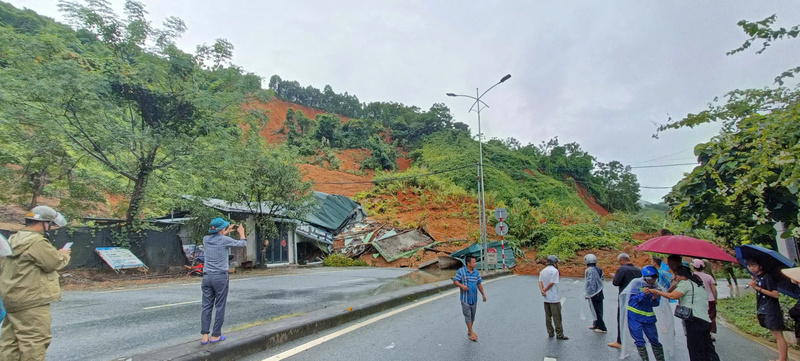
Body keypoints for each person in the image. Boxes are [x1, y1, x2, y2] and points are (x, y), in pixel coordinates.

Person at [0, 206, 71, 361]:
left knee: (10, 342)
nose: (51, 228)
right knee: (34, 341)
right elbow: (52, 263)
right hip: (32, 300)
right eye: (51, 225)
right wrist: (63, 254)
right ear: (45, 223)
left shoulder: (13, 238)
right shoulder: (36, 242)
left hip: (11, 298)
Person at [649, 266, 719, 361]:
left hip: (694, 320)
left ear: (681, 276)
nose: (674, 277)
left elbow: (672, 296)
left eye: (675, 275)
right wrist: (674, 285)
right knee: (707, 347)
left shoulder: (685, 283)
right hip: (705, 320)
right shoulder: (698, 285)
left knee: (695, 348)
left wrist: (657, 292)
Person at [200, 218, 247, 345]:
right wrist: (241, 233)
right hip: (220, 277)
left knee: (206, 306)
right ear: (221, 229)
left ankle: (204, 336)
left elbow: (217, 238)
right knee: (220, 306)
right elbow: (242, 244)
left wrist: (226, 231)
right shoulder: (224, 240)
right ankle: (216, 335)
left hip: (207, 277)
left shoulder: (206, 239)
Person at [747, 258, 788, 361]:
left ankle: (782, 359)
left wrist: (757, 288)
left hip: (771, 309)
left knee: (778, 335)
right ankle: (783, 358)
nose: (752, 268)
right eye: (749, 266)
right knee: (776, 335)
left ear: (760, 266)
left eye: (754, 266)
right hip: (763, 308)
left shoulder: (767, 277)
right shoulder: (758, 278)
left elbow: (775, 294)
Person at [623, 266, 665, 361]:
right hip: (635, 316)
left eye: (654, 278)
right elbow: (631, 300)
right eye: (651, 279)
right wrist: (643, 294)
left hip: (648, 318)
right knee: (639, 340)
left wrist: (654, 298)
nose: (652, 281)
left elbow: (655, 304)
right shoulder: (636, 283)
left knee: (654, 339)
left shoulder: (656, 287)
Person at [610, 252, 641, 349]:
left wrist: (614, 277)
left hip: (624, 297)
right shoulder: (638, 270)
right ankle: (638, 339)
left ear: (622, 260)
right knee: (635, 318)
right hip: (636, 297)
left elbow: (616, 282)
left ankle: (620, 341)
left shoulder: (622, 269)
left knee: (622, 318)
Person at [452, 255, 486, 341]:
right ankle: (471, 333)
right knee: (467, 315)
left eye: (475, 262)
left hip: (474, 298)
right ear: (468, 263)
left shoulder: (476, 273)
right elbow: (455, 281)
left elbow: (479, 284)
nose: (475, 264)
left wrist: (483, 294)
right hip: (465, 298)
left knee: (472, 316)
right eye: (473, 262)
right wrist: (462, 286)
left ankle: (469, 330)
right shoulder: (461, 271)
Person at [540, 255, 568, 340]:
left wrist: (542, 290)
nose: (557, 264)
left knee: (548, 317)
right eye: (556, 262)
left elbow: (540, 281)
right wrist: (545, 289)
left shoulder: (543, 271)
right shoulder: (555, 271)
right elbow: (552, 283)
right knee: (557, 317)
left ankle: (550, 333)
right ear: (554, 263)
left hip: (546, 298)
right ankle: (559, 334)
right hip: (554, 298)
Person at [691, 259, 718, 340]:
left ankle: (700, 332)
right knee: (711, 316)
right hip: (710, 299)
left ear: (693, 267)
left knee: (700, 316)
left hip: (698, 300)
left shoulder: (691, 277)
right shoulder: (708, 277)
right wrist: (715, 299)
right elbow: (714, 290)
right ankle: (710, 333)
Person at [584, 253, 607, 333]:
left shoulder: (591, 270)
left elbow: (591, 282)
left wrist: (588, 293)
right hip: (599, 292)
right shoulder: (597, 269)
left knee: (597, 310)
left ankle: (602, 327)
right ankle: (596, 324)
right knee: (596, 310)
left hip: (595, 293)